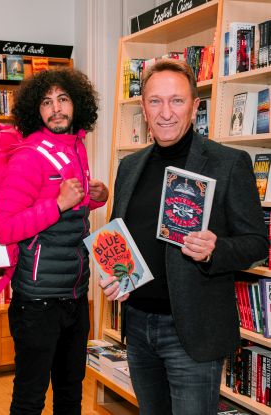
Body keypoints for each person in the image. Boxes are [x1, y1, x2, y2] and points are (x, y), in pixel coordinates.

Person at [100, 59, 269, 415]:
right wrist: (115, 275)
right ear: (143, 108)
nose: (166, 113)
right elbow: (121, 233)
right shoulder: (130, 166)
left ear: (195, 106)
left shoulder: (228, 163)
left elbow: (257, 243)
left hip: (191, 331)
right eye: (155, 101)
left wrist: (215, 249)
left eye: (176, 101)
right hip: (138, 326)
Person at [0, 68, 109, 415]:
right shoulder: (29, 156)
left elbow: (72, 208)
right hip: (38, 302)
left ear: (77, 104)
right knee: (30, 400)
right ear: (36, 110)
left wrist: (95, 197)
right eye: (46, 102)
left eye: (63, 99)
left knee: (71, 396)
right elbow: (5, 228)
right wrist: (57, 204)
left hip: (75, 296)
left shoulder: (76, 146)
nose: (56, 108)